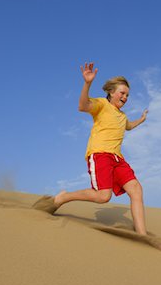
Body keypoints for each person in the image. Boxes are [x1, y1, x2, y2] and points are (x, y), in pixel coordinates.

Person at [51, 62, 149, 235]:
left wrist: (141, 120)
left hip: (118, 158)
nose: (125, 97)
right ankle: (64, 197)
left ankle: (142, 235)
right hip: (100, 155)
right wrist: (87, 83)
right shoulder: (102, 105)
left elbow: (128, 126)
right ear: (111, 92)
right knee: (103, 196)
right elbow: (82, 106)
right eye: (122, 93)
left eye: (127, 95)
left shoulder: (122, 115)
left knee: (136, 190)